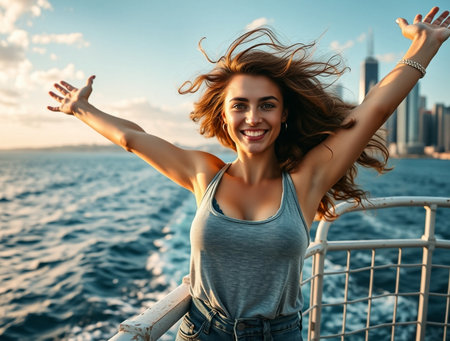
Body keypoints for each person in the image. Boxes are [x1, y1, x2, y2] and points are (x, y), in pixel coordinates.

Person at [48, 7, 449, 341]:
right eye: (240, 105)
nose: (253, 118)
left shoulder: (306, 180)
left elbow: (372, 112)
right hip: (203, 331)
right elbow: (134, 137)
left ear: (283, 113)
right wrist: (81, 108)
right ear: (224, 114)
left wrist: (424, 45)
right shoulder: (204, 174)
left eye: (267, 105)